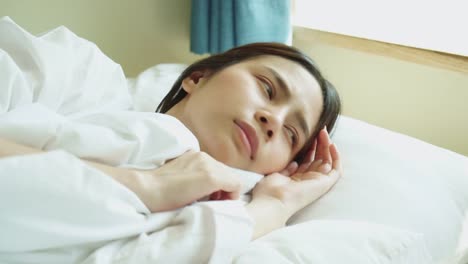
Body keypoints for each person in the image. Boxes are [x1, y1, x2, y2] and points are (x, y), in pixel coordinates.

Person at [0, 17, 342, 263]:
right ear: (198, 77)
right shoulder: (80, 71)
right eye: (267, 88)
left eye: (291, 133)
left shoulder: (229, 212)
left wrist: (276, 206)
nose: (273, 120)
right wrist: (144, 185)